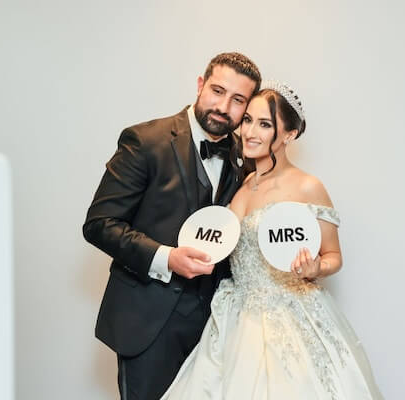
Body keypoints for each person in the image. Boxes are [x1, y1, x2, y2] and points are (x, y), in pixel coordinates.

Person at [161, 81, 383, 399]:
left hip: (290, 315)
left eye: (265, 124)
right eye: (248, 120)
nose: (250, 131)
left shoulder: (307, 186)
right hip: (235, 316)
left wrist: (315, 267)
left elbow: (334, 255)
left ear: (289, 135)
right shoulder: (242, 183)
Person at [82, 52, 261, 400]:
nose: (223, 106)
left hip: (215, 324)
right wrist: (167, 258)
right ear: (200, 85)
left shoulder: (244, 156)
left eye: (237, 100)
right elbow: (99, 224)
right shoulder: (144, 141)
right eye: (217, 90)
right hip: (148, 320)